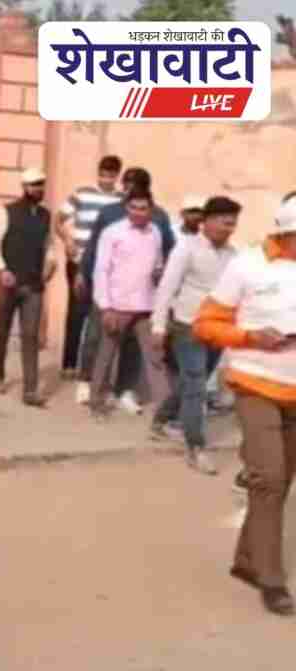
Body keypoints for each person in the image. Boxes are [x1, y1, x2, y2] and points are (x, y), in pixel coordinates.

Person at [193, 196, 296, 616]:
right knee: (269, 477)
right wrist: (252, 338)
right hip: (255, 386)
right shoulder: (248, 265)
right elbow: (205, 323)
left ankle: (246, 560)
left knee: (280, 482)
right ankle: (272, 580)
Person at [149, 196, 240, 474]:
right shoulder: (185, 249)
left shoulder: (233, 256)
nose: (229, 229)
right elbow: (166, 288)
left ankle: (161, 421)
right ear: (208, 221)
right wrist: (158, 326)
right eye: (225, 223)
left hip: (217, 330)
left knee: (191, 382)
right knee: (197, 384)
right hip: (187, 326)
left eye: (233, 224)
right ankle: (195, 447)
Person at [78, 166, 177, 412]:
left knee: (155, 356)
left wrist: (160, 274)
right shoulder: (113, 232)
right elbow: (101, 270)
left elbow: (160, 262)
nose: (137, 213)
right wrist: (106, 306)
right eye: (133, 207)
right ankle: (96, 401)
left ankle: (165, 412)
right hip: (117, 306)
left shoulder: (155, 230)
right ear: (126, 207)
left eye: (143, 208)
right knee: (105, 354)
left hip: (145, 306)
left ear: (150, 210)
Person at [0, 167, 59, 407]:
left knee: (30, 335)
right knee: (2, 329)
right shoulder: (5, 212)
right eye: (34, 185)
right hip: (8, 281)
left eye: (41, 185)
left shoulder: (45, 216)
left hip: (34, 284)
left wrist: (51, 262)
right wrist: (1, 269)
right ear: (24, 187)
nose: (38, 189)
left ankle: (30, 390)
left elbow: (48, 244)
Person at [57, 154, 122, 381]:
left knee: (101, 313)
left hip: (107, 265)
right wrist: (67, 240)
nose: (106, 179)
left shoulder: (121, 200)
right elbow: (59, 218)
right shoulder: (82, 192)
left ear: (117, 176)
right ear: (99, 173)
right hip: (79, 261)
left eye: (110, 176)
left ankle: (92, 366)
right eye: (103, 175)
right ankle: (69, 363)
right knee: (77, 312)